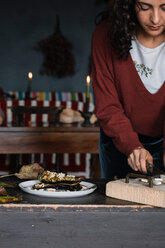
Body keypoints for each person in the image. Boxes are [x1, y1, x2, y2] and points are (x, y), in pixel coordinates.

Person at [91, 0, 165, 179]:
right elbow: (108, 106)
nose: (155, 19)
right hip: (118, 139)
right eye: (145, 7)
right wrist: (132, 146)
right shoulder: (105, 35)